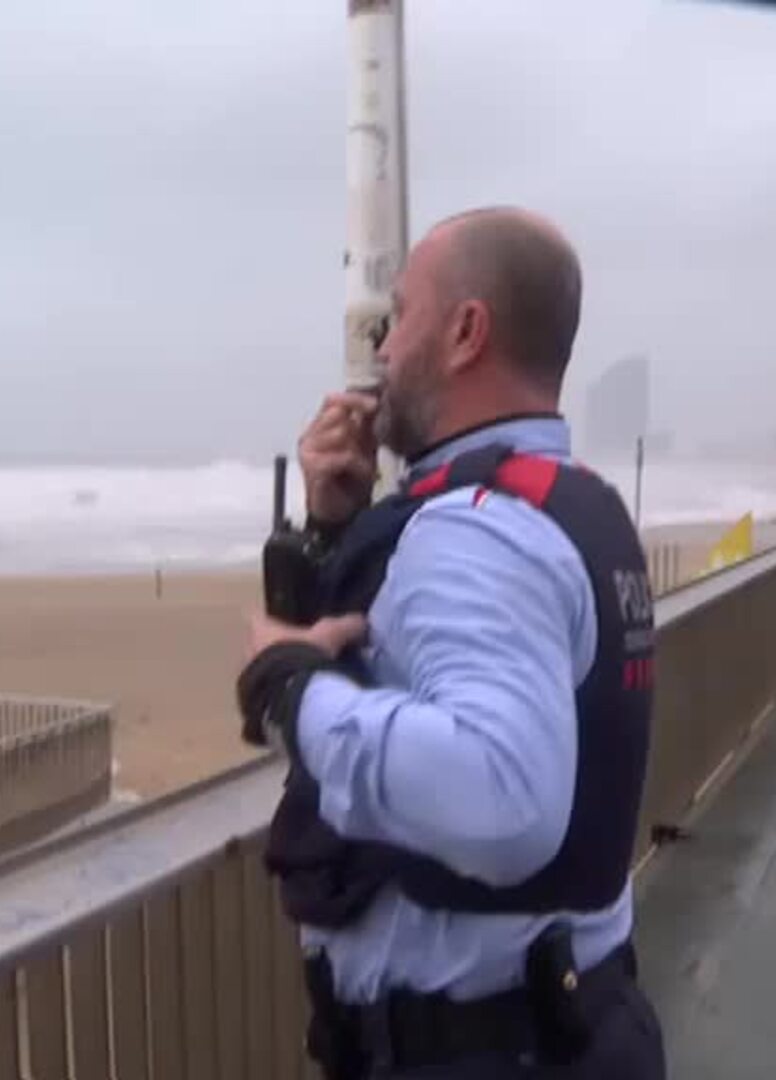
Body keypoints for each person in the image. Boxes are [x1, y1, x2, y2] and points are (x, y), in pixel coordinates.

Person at [236, 207, 665, 1079]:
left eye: (399, 318)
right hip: (573, 1021)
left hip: (479, 1047)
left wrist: (288, 688)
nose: (382, 352)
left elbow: (502, 799)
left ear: (466, 332)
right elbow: (422, 656)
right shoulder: (569, 502)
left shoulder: (474, 528)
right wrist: (335, 529)